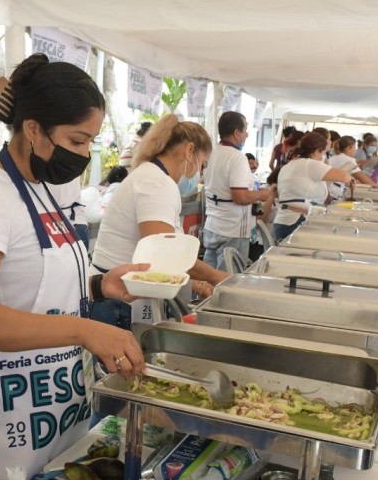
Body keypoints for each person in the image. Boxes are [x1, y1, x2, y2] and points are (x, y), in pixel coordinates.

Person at [0, 54, 148, 480]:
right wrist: (86, 329)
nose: (85, 153)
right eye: (77, 138)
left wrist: (98, 286)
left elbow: (30, 289)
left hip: (50, 398)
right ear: (33, 128)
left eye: (91, 140)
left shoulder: (46, 189)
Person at [90, 113, 229, 329]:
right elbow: (166, 254)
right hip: (117, 298)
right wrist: (216, 276)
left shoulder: (150, 177)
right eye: (202, 165)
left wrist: (196, 283)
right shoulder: (156, 183)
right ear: (189, 150)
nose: (199, 175)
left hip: (122, 292)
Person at [202, 111, 273, 270]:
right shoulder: (237, 157)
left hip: (213, 224)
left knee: (208, 275)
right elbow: (239, 196)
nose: (247, 134)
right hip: (232, 228)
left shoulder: (212, 153)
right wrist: (261, 194)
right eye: (245, 130)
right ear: (236, 133)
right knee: (228, 280)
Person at [273, 132, 356, 241]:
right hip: (295, 222)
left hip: (285, 221)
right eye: (322, 153)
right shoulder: (310, 164)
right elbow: (344, 176)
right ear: (316, 151)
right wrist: (351, 180)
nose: (322, 157)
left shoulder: (291, 164)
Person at [327, 135, 376, 201]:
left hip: (329, 191)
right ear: (348, 148)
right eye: (354, 148)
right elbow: (365, 180)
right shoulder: (349, 160)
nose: (355, 150)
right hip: (334, 194)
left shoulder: (334, 157)